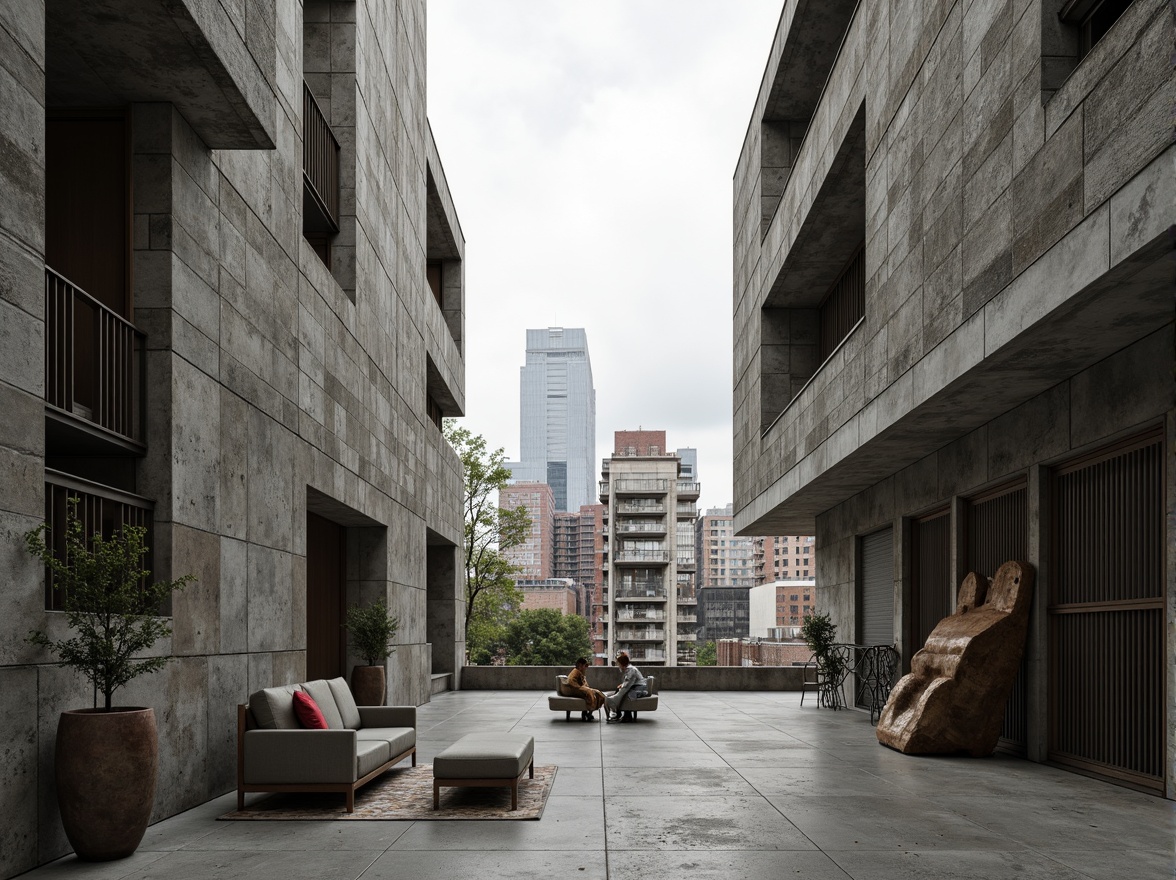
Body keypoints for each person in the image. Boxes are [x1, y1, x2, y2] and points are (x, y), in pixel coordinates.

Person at [604, 652, 648, 723]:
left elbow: (628, 683)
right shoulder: (629, 669)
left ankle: (626, 715)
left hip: (639, 688)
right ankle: (618, 712)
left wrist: (623, 686)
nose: (618, 665)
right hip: (635, 687)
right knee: (620, 690)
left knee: (626, 695)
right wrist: (622, 685)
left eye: (618, 663)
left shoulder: (631, 670)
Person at [567, 657, 606, 721]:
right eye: (586, 665)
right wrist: (583, 688)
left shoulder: (580, 672)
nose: (586, 668)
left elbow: (584, 684)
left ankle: (589, 712)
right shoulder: (575, 672)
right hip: (577, 690)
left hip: (582, 689)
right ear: (580, 665)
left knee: (600, 695)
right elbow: (572, 682)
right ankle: (589, 711)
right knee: (592, 694)